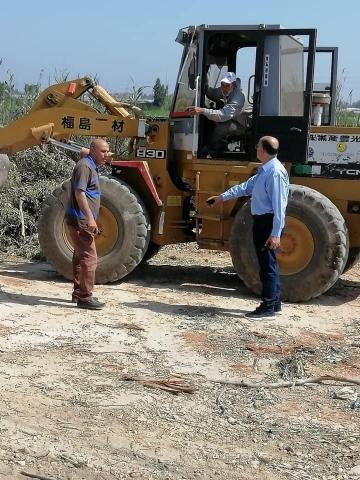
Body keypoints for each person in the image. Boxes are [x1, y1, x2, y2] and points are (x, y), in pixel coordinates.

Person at [206, 136, 289, 320]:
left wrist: (275, 233)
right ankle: (274, 304)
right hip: (262, 222)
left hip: (268, 222)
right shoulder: (264, 170)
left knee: (267, 266)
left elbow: (280, 206)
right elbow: (245, 188)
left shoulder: (274, 172)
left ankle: (267, 307)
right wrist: (222, 197)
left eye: (258, 146)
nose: (256, 148)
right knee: (268, 264)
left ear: (263, 150)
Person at [65, 138, 110, 310]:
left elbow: (85, 154)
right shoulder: (85, 167)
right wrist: (90, 218)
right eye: (103, 151)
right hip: (80, 221)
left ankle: (78, 293)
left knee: (79, 256)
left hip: (79, 219)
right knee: (89, 259)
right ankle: (85, 297)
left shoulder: (89, 163)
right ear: (92, 150)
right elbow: (79, 193)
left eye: (107, 151)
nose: (106, 155)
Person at [188, 71, 246, 157]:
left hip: (241, 125)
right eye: (222, 84)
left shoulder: (238, 97)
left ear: (233, 84)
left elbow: (222, 115)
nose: (224, 88)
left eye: (227, 85)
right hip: (232, 119)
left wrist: (202, 110)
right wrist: (203, 84)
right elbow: (213, 94)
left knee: (222, 128)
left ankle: (210, 152)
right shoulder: (226, 89)